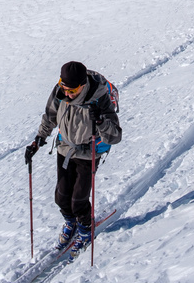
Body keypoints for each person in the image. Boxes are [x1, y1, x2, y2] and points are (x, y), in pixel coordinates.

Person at [24, 60, 122, 254]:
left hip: (89, 152)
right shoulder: (61, 91)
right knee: (61, 197)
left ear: (83, 85)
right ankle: (71, 223)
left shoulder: (99, 98)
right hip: (65, 147)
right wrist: (38, 140)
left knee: (79, 199)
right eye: (64, 88)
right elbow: (50, 115)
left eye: (72, 91)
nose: (67, 94)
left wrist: (101, 120)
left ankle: (85, 229)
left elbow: (115, 136)